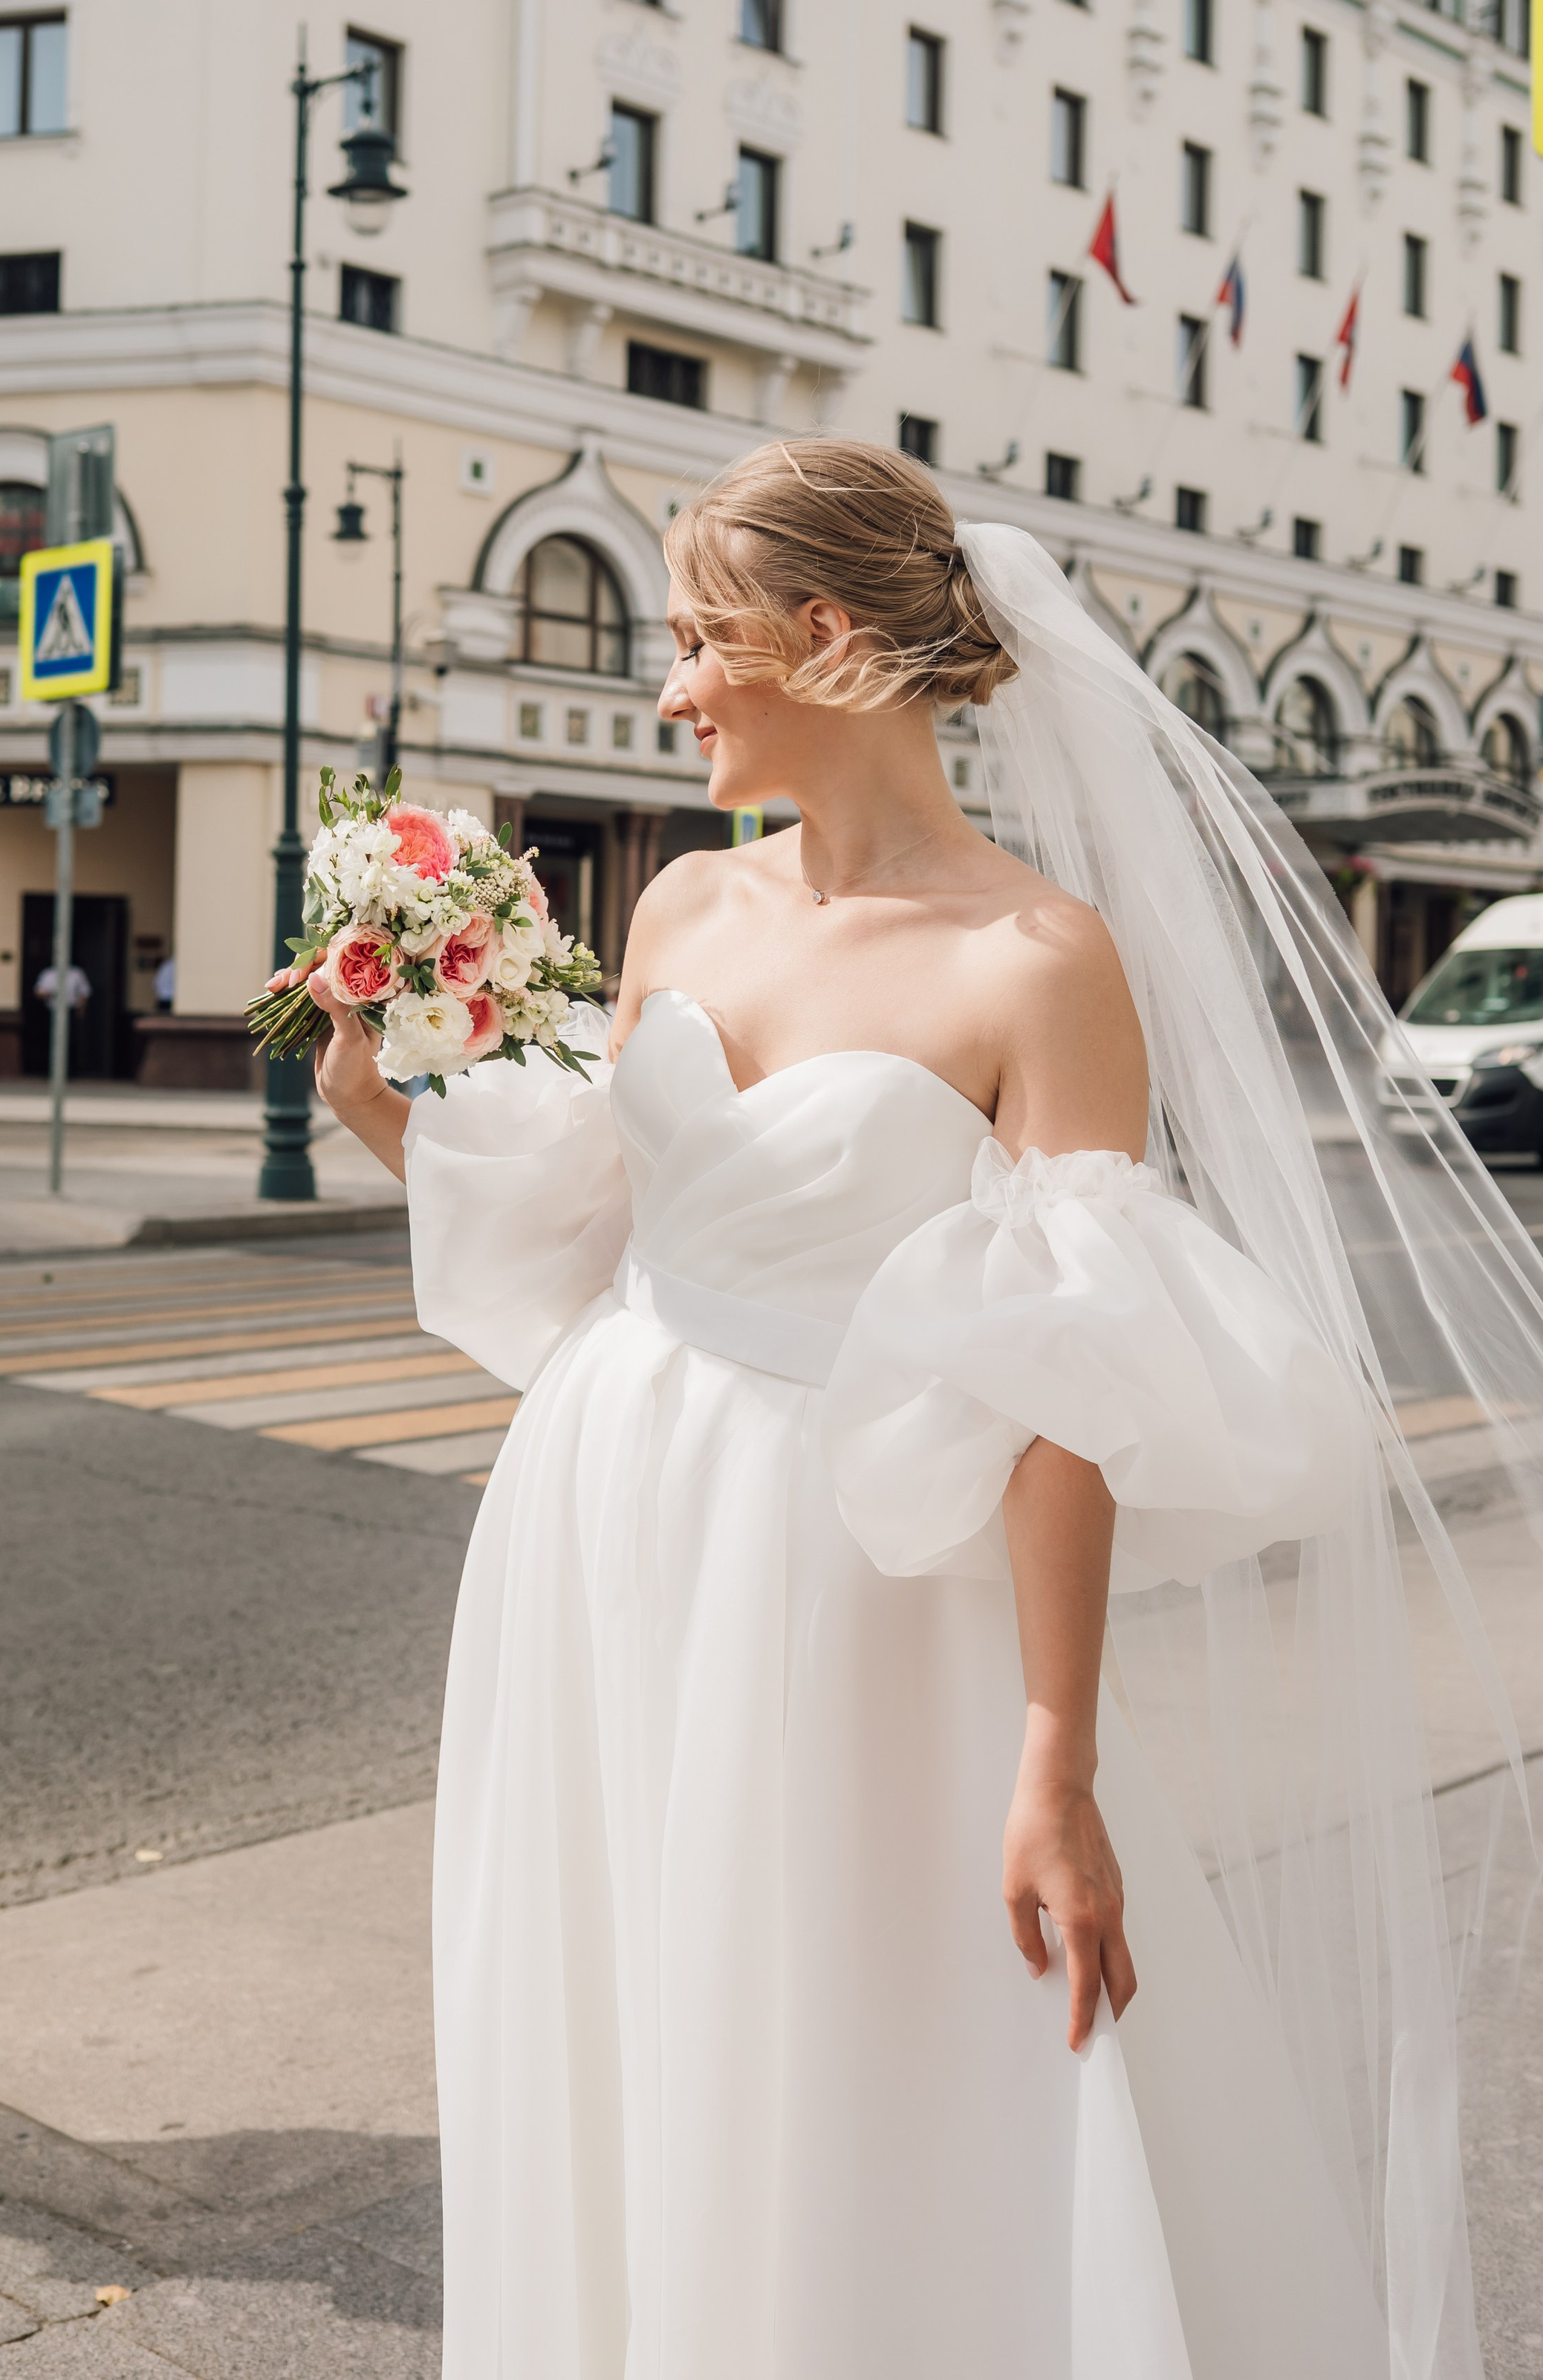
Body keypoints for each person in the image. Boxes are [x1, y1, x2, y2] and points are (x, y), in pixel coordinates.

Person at [279, 441, 1531, 2376]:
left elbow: (1065, 1390)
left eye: (699, 639)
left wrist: (1056, 1759)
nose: (673, 685)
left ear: (825, 634)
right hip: (599, 1535)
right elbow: (601, 1220)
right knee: (629, 2015)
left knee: (860, 2043)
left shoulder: (1039, 965)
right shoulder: (687, 907)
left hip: (851, 1588)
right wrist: (386, 1100)